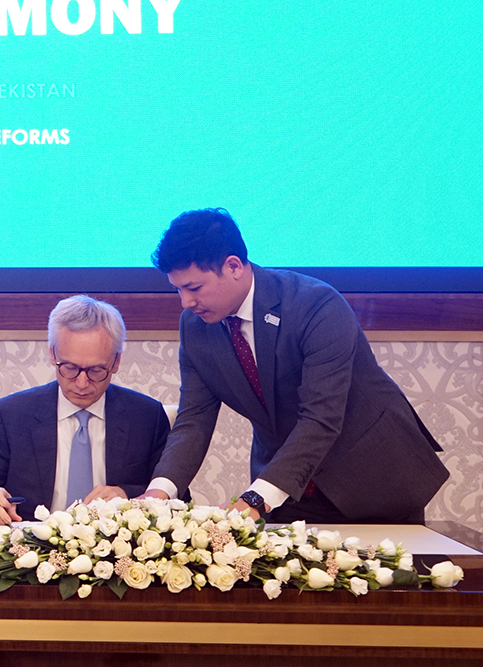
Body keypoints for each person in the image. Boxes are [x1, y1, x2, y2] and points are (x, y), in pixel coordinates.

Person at [141, 208, 449, 523]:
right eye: (177, 289)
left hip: (373, 476)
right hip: (287, 489)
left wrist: (255, 499)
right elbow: (194, 418)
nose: (186, 302)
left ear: (233, 266)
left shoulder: (316, 305)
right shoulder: (195, 326)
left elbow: (321, 417)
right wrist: (159, 492)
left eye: (194, 288)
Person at [0, 295, 174, 524]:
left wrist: (127, 495)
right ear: (52, 354)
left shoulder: (146, 417)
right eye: (69, 368)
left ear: (116, 362)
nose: (82, 383)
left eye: (96, 371)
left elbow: (176, 497)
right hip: (32, 540)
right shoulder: (11, 414)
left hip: (115, 542)